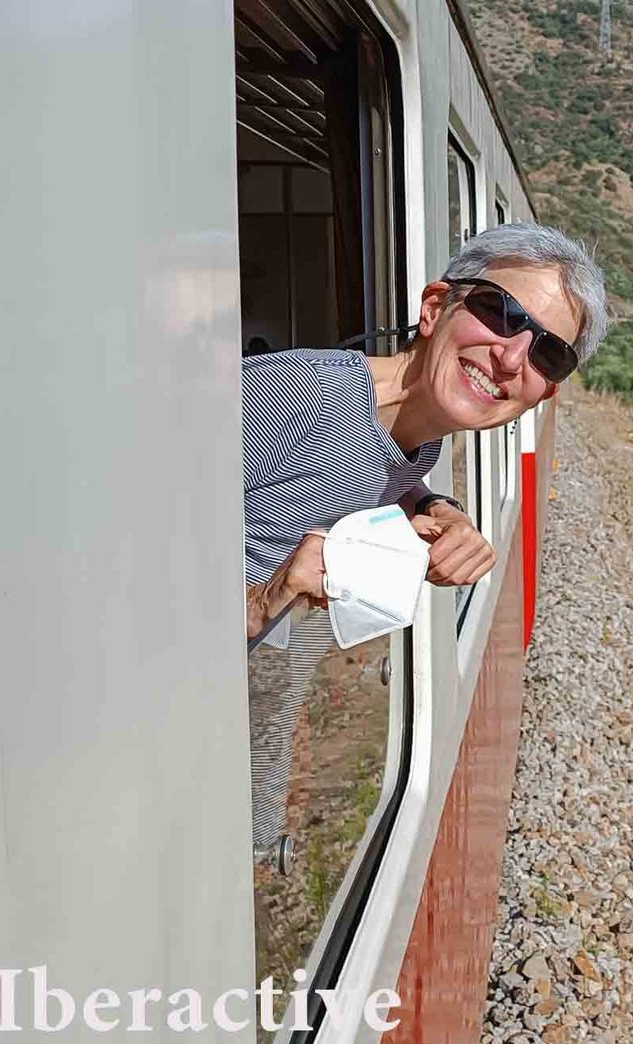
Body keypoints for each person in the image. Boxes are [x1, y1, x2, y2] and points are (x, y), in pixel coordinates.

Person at [242, 222, 607, 853]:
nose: (511, 358)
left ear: (543, 392)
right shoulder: (288, 399)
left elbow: (379, 468)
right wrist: (265, 600)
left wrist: (441, 508)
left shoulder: (414, 437)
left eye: (548, 354)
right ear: (436, 307)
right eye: (501, 312)